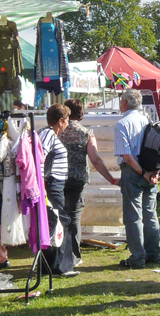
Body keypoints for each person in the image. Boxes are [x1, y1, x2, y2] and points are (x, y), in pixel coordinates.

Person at [59, 99, 117, 267]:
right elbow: (96, 160)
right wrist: (111, 179)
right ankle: (74, 256)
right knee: (74, 217)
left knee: (59, 216)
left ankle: (59, 252)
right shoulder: (86, 133)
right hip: (77, 179)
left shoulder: (57, 131)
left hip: (58, 179)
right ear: (81, 113)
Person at [114, 90, 160, 269]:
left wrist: (142, 172)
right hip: (150, 170)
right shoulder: (147, 120)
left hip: (134, 171)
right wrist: (151, 172)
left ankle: (138, 256)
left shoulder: (122, 124)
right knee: (150, 214)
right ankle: (153, 253)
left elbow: (127, 156)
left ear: (125, 102)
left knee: (133, 217)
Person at [38, 104, 80, 277]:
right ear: (61, 120)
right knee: (61, 222)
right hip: (52, 185)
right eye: (67, 121)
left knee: (55, 223)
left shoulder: (46, 133)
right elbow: (41, 158)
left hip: (53, 185)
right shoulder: (48, 134)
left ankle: (53, 264)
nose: (67, 124)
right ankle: (61, 265)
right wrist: (41, 184)